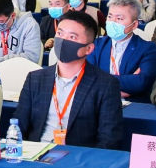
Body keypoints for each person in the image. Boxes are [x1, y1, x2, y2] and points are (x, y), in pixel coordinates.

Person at [15, 10, 124, 149]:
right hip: (36, 154)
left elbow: (109, 140)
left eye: (72, 37)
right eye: (60, 34)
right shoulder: (35, 79)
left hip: (79, 158)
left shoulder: (106, 85)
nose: (63, 41)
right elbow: (18, 126)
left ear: (88, 49)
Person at [87, 0, 156, 101]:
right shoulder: (97, 45)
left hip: (133, 106)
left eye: (119, 18)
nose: (113, 22)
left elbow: (141, 82)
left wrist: (100, 79)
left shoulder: (148, 49)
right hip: (99, 102)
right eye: (110, 16)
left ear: (134, 25)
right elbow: (87, 78)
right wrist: (123, 85)